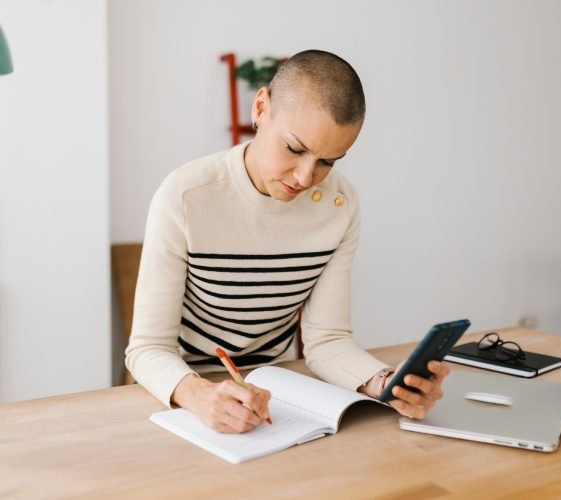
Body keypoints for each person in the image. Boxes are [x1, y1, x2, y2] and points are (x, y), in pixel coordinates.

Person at [125, 49, 450, 434]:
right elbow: (147, 349)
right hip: (179, 391)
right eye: (295, 149)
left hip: (272, 391)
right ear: (261, 108)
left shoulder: (339, 204)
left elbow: (327, 340)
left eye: (329, 161)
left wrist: (385, 384)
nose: (306, 176)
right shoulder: (185, 195)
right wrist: (198, 394)